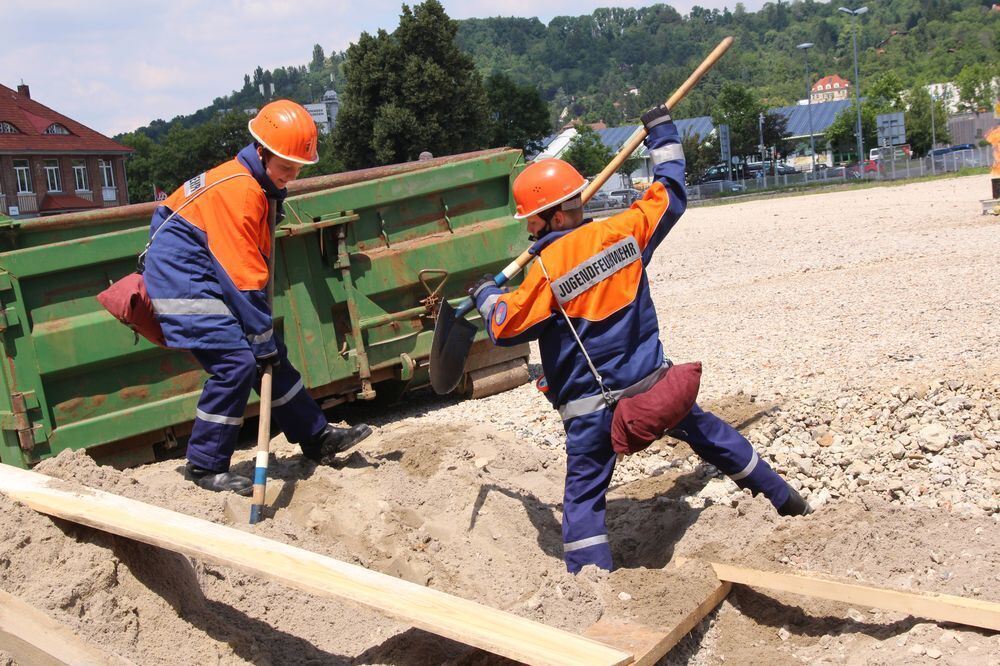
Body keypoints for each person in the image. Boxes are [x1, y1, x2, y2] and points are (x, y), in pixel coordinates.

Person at [470, 104, 811, 574]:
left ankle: (591, 585)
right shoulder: (624, 232)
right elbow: (669, 192)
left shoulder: (544, 273)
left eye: (529, 220)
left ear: (540, 219)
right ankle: (785, 498)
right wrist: (661, 133)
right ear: (577, 203)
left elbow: (504, 327)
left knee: (584, 497)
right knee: (708, 433)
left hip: (595, 415)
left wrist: (487, 293)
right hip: (654, 389)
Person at [143, 99, 371, 496]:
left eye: (298, 168)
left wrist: (263, 336)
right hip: (181, 279)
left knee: (269, 354)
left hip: (201, 271)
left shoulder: (256, 183)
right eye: (285, 167)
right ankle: (204, 467)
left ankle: (315, 437)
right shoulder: (242, 191)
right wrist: (259, 332)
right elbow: (242, 273)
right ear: (261, 150)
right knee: (237, 360)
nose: (291, 176)